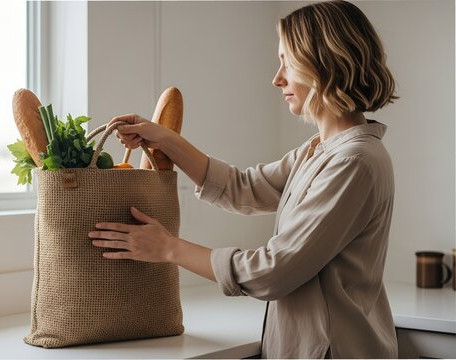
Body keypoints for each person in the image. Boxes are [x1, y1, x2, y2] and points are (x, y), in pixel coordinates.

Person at [88, 1, 399, 358]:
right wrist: (167, 140)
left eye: (288, 63)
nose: (277, 77)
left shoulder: (353, 162)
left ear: (325, 64)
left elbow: (273, 272)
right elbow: (244, 188)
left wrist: (169, 248)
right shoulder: (321, 150)